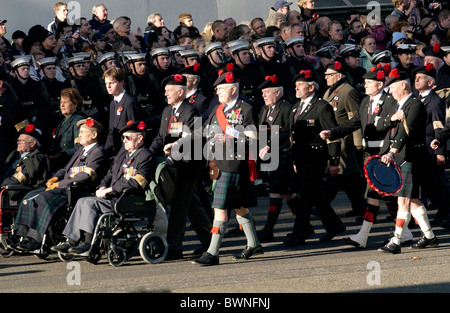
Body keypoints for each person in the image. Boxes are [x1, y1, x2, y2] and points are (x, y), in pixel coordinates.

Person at [320, 65, 412, 248]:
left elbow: (396, 127)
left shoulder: (390, 101)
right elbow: (354, 122)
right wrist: (333, 132)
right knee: (379, 195)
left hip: (385, 153)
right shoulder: (365, 102)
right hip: (370, 154)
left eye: (369, 83)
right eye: (365, 83)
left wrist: (391, 151)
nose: (365, 86)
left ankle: (367, 235)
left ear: (379, 84)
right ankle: (403, 233)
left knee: (382, 195)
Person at [52, 121, 155, 254]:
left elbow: (138, 183)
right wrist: (102, 186)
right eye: (123, 138)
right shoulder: (123, 154)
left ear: (140, 138)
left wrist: (111, 189)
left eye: (127, 138)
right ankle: (71, 240)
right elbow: (109, 174)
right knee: (82, 201)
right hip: (115, 197)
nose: (124, 141)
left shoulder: (145, 156)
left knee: (89, 203)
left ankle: (88, 243)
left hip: (128, 199)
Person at [194, 68, 262, 265]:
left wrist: (232, 137)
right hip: (218, 164)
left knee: (219, 208)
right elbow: (206, 130)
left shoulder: (247, 109)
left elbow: (255, 140)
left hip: (234, 163)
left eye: (221, 89)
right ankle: (254, 244)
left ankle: (212, 252)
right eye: (217, 90)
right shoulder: (218, 110)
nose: (218, 93)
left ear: (233, 89)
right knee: (239, 206)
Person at [11, 118, 106, 251]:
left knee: (42, 199)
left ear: (94, 135)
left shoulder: (98, 152)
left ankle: (35, 239)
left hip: (76, 190)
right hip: (64, 187)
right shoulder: (80, 150)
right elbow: (65, 169)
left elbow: (85, 175)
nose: (79, 135)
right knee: (30, 196)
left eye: (83, 132)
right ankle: (21, 235)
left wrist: (60, 183)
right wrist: (54, 178)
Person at [149, 74, 211, 260]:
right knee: (192, 207)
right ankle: (209, 242)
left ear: (180, 92)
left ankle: (175, 247)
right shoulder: (168, 111)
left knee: (178, 207)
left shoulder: (191, 111)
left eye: (169, 90)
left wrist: (177, 146)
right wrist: (149, 153)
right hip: (171, 166)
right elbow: (161, 137)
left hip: (187, 166)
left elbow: (197, 136)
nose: (166, 94)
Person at [377, 69, 438, 254]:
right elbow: (380, 125)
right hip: (401, 157)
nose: (391, 92)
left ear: (403, 85)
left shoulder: (415, 104)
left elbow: (406, 131)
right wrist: (391, 119)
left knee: (403, 200)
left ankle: (395, 241)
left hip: (409, 157)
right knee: (412, 201)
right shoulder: (397, 105)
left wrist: (392, 151)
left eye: (393, 87)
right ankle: (429, 236)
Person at [284, 69, 343, 246]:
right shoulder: (295, 107)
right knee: (315, 196)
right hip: (301, 159)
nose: (296, 88)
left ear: (311, 87)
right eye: (296, 86)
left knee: (306, 198)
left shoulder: (321, 106)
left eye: (300, 85)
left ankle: (299, 233)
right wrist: (294, 160)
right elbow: (293, 136)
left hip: (315, 158)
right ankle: (335, 226)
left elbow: (332, 135)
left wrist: (333, 161)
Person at [255, 75, 297, 242]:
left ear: (278, 92)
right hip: (269, 158)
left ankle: (268, 229)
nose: (264, 96)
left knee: (275, 192)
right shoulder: (265, 109)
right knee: (288, 193)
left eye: (267, 92)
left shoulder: (286, 108)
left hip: (283, 155)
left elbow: (288, 131)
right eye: (263, 93)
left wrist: (270, 145)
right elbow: (261, 131)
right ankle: (305, 224)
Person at [322, 60, 366, 218]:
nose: (325, 77)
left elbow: (355, 117)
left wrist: (358, 143)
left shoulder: (347, 91)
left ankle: (322, 203)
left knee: (340, 172)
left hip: (344, 139)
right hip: (333, 137)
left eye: (329, 75)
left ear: (338, 75)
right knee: (349, 177)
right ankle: (360, 207)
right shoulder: (330, 91)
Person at [412, 64, 450, 225]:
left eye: (420, 78)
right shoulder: (416, 99)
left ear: (430, 82)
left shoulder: (435, 101)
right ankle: (443, 213)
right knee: (429, 186)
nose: (416, 80)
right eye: (415, 78)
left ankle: (447, 213)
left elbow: (439, 128)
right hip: (420, 150)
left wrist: (440, 152)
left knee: (438, 185)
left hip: (431, 149)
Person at [103, 67, 143, 157]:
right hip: (115, 150)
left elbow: (134, 132)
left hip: (127, 150)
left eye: (112, 83)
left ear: (121, 82)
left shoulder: (129, 102)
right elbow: (111, 132)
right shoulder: (112, 103)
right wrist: (105, 152)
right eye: (106, 83)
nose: (108, 86)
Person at [1, 123, 51, 192]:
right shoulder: (14, 155)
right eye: (18, 140)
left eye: (22, 141)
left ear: (32, 143)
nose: (18, 143)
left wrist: (1, 183)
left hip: (16, 193)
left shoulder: (37, 158)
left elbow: (20, 179)